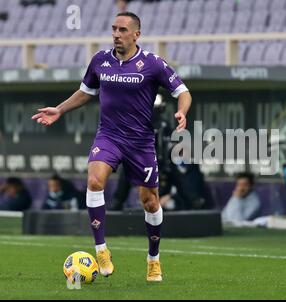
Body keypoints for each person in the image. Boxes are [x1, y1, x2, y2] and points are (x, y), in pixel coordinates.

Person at [32, 12, 192, 282]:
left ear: (136, 34)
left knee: (150, 202)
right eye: (114, 29)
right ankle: (101, 250)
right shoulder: (100, 61)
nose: (116, 34)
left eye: (122, 29)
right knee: (94, 181)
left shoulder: (153, 64)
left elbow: (183, 92)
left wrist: (182, 112)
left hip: (140, 142)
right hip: (108, 136)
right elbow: (85, 92)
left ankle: (153, 259)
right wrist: (59, 109)